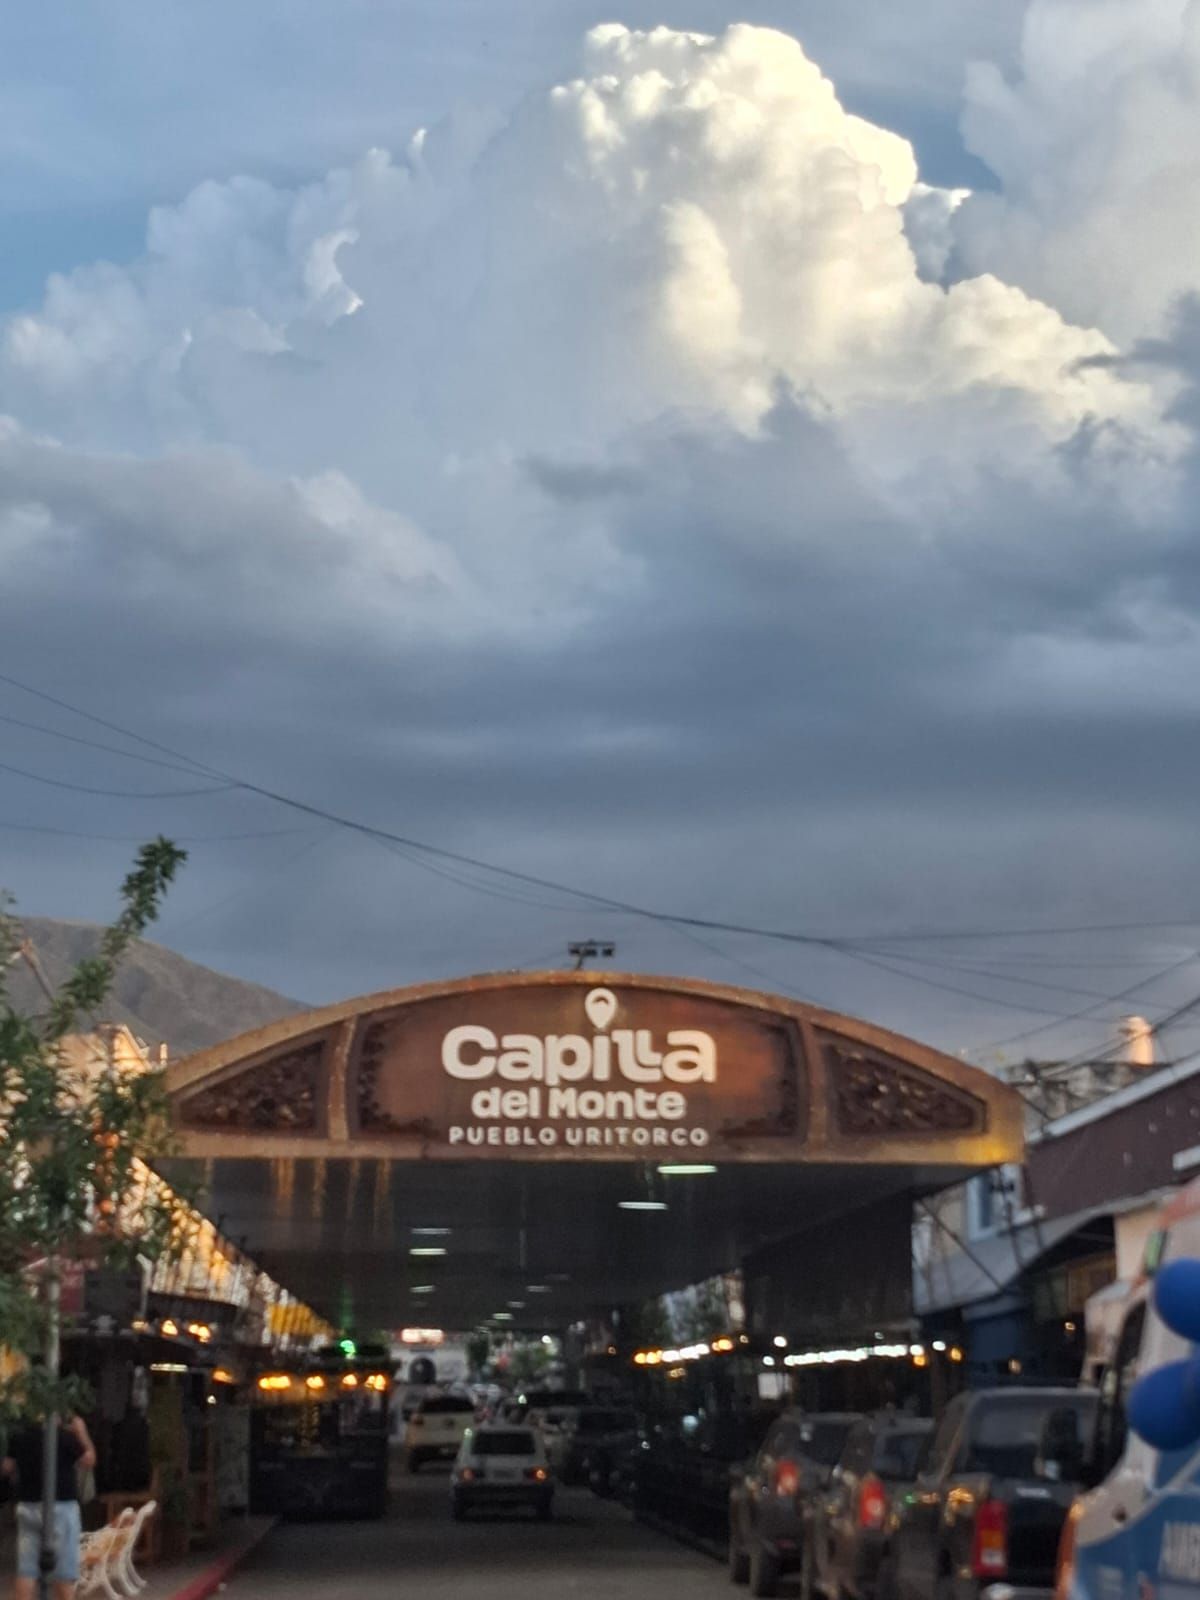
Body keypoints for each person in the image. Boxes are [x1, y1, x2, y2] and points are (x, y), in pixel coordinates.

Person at [1, 1412, 97, 1600]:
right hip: (62, 1507)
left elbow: (7, 1467)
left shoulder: (20, 1435)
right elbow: (89, 1460)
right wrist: (82, 1433)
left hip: (27, 1505)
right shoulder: (64, 1437)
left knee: (26, 1570)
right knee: (63, 1573)